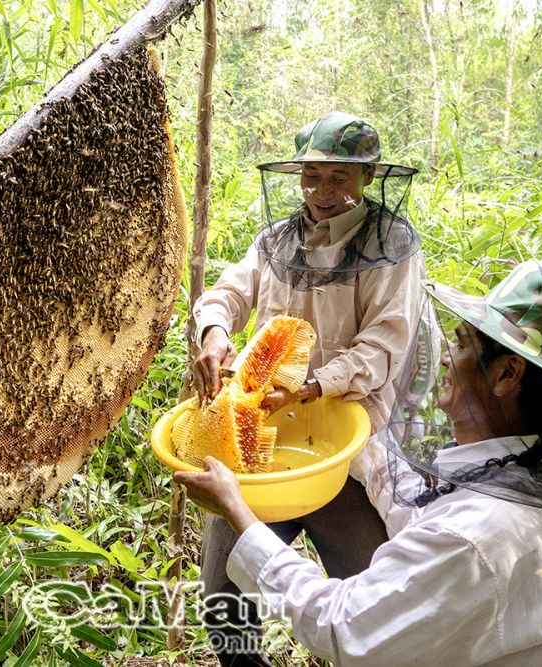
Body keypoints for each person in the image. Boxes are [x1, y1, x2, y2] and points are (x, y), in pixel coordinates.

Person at [177, 260, 542, 666]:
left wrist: (239, 511)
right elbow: (421, 509)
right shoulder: (521, 473)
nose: (448, 357)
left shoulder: (470, 539)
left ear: (507, 374)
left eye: (461, 345)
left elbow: (342, 626)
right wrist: (341, 438)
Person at [190, 111, 426, 665]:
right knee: (223, 598)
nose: (322, 191)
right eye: (312, 176)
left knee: (372, 602)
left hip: (349, 453)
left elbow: (384, 346)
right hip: (262, 442)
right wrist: (215, 332)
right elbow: (227, 294)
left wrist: (316, 384)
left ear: (367, 177)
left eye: (338, 177)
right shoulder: (278, 237)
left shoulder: (393, 246)